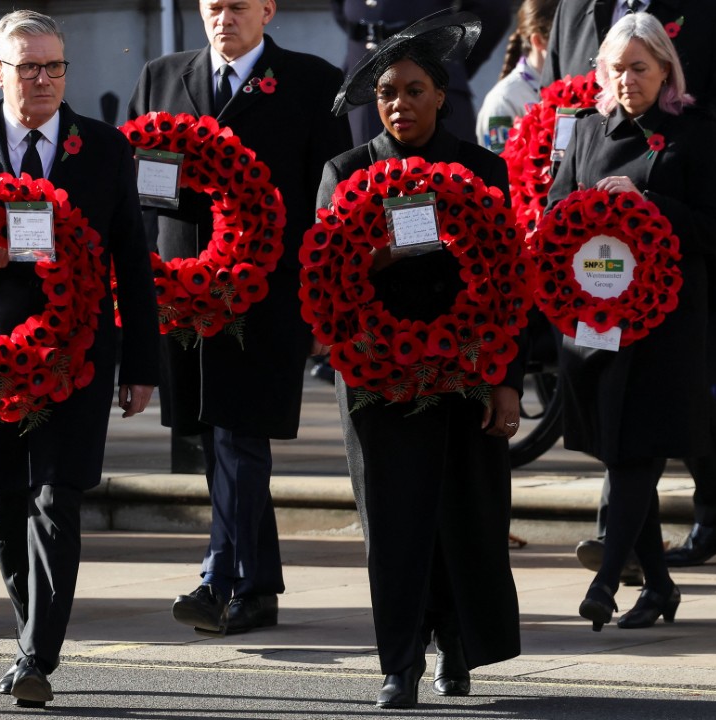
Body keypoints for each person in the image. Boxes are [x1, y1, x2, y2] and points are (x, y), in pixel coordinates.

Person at [0, 10, 159, 707]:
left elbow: (132, 263)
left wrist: (142, 365)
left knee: (57, 496)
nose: (44, 79)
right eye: (28, 67)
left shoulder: (103, 149)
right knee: (4, 502)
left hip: (75, 359)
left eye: (55, 66)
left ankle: (36, 654)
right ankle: (32, 636)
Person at [129, 0, 352, 636]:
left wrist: (323, 302)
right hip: (182, 285)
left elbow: (330, 202)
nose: (223, 17)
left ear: (267, 10)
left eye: (237, 6)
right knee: (214, 435)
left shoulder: (311, 81)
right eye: (213, 6)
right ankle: (256, 589)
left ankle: (217, 576)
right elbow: (137, 189)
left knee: (240, 432)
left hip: (266, 292)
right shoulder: (163, 76)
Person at [320, 11, 521, 708]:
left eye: (413, 90)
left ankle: (457, 647)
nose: (399, 104)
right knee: (396, 522)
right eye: (386, 94)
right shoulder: (347, 171)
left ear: (440, 93)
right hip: (378, 377)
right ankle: (398, 663)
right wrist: (382, 253)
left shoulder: (483, 168)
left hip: (467, 371)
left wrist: (505, 382)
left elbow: (509, 283)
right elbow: (325, 277)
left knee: (464, 515)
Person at [541, 0, 716, 572]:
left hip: (671, 289)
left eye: (640, 67)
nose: (626, 78)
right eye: (617, 68)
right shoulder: (576, 18)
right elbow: (557, 114)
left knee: (641, 423)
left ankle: (616, 554)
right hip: (598, 295)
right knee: (636, 422)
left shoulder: (698, 108)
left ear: (665, 67)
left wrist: (657, 179)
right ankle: (686, 541)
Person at [331, 0, 511, 144]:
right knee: (360, 173)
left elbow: (493, 8)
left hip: (429, 84)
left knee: (442, 174)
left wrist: (450, 61)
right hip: (361, 88)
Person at [475, 0, 560, 151]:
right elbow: (500, 162)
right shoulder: (504, 100)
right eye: (565, 36)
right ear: (538, 41)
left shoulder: (573, 88)